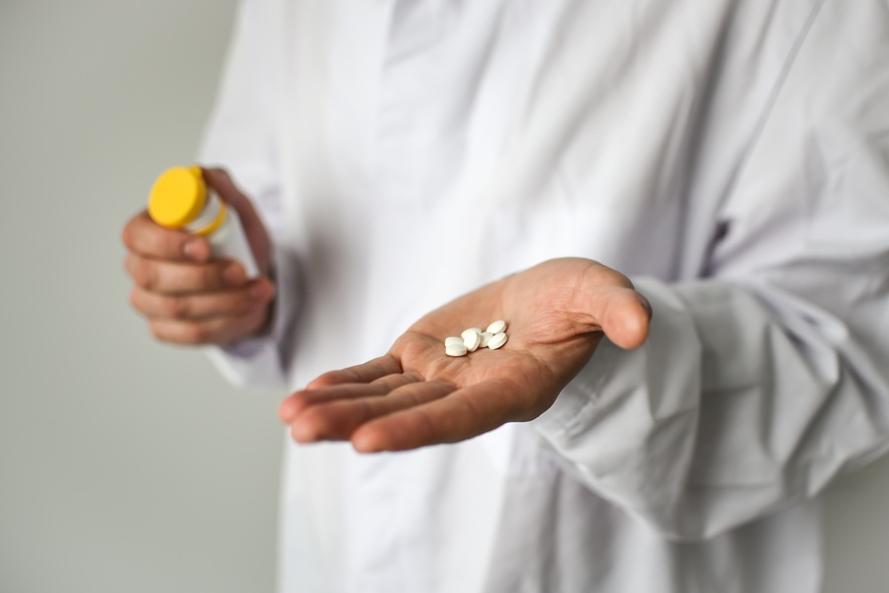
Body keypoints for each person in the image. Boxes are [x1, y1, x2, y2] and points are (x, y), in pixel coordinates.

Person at [121, 1, 889, 591]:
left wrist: (601, 364)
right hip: (336, 551)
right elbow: (287, 202)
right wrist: (239, 288)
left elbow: (849, 344)